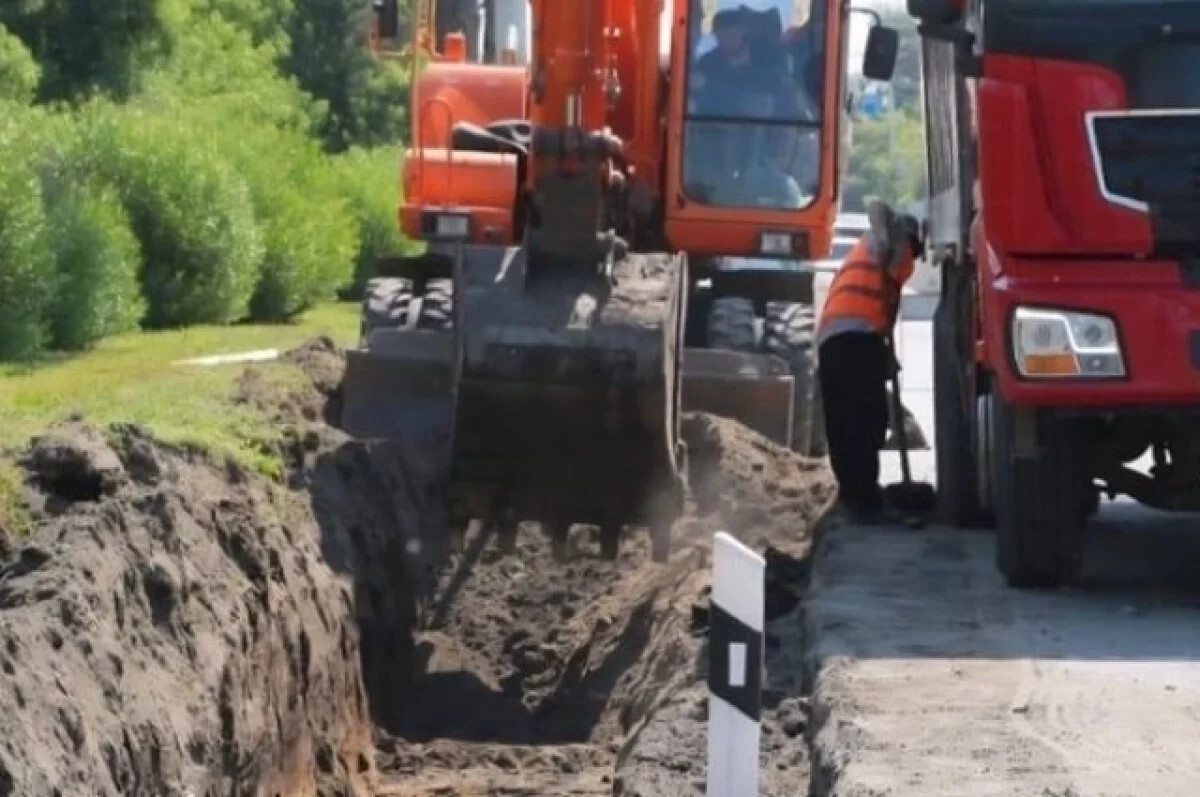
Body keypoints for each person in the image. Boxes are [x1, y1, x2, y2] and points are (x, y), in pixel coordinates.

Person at [816, 200, 922, 523]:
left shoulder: (866, 247)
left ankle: (854, 495)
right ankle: (865, 499)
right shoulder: (897, 244)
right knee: (868, 420)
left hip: (831, 340)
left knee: (842, 424)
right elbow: (890, 290)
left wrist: (885, 356)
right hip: (858, 339)